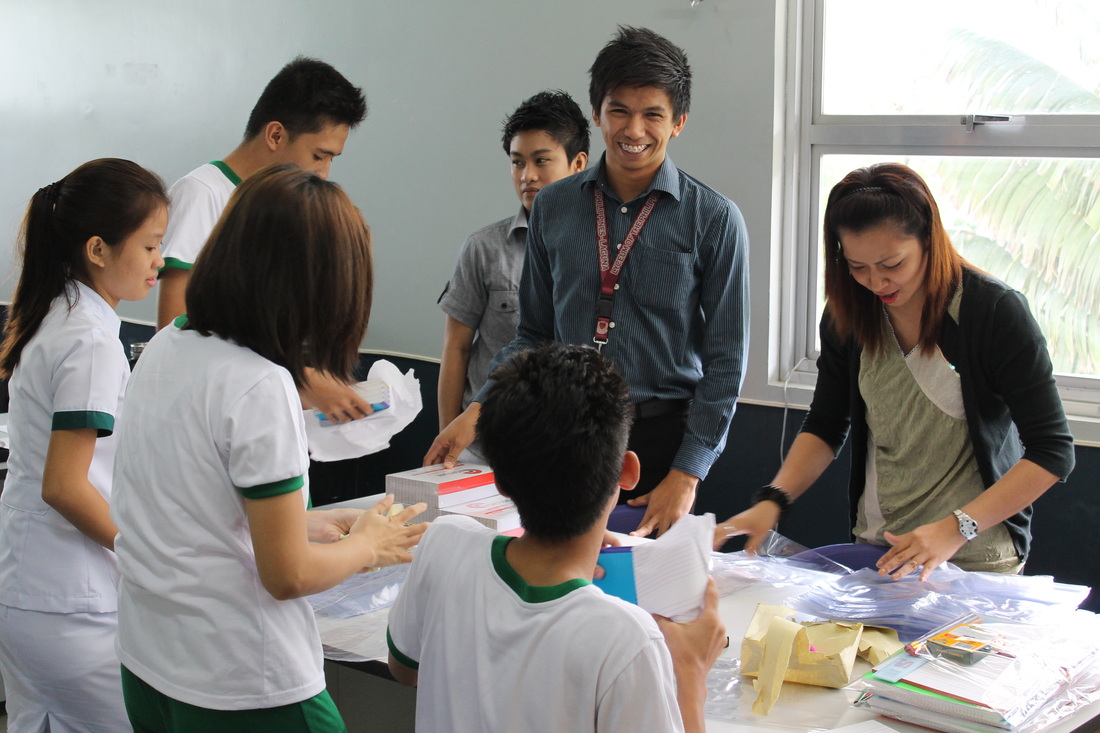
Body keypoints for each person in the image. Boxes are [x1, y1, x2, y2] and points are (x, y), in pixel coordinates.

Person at [111, 165, 427, 732]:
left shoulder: (166, 345)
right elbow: (288, 575)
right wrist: (369, 546)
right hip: (242, 684)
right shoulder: (259, 383)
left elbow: (187, 508)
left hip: (150, 663)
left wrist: (303, 524)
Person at [426, 26, 751, 538]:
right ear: (597, 113)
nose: (633, 129)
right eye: (619, 110)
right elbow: (533, 335)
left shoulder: (714, 219)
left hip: (661, 439)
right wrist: (478, 409)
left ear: (679, 122)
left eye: (653, 115)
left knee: (647, 584)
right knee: (556, 576)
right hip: (561, 430)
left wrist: (687, 474)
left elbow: (727, 360)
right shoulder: (554, 207)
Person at [714, 162, 1075, 580]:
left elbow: (1052, 451)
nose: (876, 282)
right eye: (858, 267)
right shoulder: (849, 314)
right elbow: (827, 423)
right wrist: (773, 500)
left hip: (974, 553)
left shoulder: (991, 311)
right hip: (879, 547)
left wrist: (955, 527)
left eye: (892, 264)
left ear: (928, 240)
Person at [390, 343, 725, 733]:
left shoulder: (442, 543)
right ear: (627, 472)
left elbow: (404, 670)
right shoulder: (629, 641)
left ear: (499, 481)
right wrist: (690, 674)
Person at [0, 158, 168, 732]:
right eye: (150, 246)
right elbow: (65, 485)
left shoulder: (57, 315)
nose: (160, 261)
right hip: (65, 599)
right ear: (98, 250)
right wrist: (147, 555)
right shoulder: (88, 340)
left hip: (33, 588)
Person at [156, 55, 372, 424]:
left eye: (332, 160)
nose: (323, 173)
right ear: (275, 135)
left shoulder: (288, 206)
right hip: (217, 407)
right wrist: (301, 378)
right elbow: (173, 326)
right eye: (318, 156)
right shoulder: (203, 193)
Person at [437, 90, 589, 458]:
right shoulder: (484, 248)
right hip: (488, 446)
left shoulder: (601, 251)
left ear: (578, 164)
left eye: (541, 161)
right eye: (517, 162)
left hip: (569, 447)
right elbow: (456, 348)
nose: (527, 176)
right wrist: (447, 438)